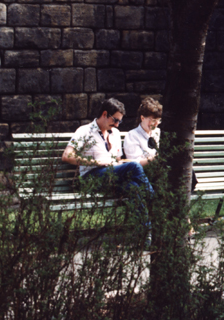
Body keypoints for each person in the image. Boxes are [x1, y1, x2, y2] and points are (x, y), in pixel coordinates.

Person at [63, 97, 155, 246]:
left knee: (134, 187)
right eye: (115, 120)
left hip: (111, 176)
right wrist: (94, 162)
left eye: (120, 121)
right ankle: (156, 203)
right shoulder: (85, 131)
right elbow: (67, 156)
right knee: (135, 166)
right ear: (105, 114)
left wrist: (119, 164)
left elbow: (117, 161)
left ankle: (146, 236)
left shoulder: (115, 134)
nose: (117, 124)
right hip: (91, 176)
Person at [123, 96, 162, 166]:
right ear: (142, 118)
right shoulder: (132, 135)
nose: (156, 124)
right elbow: (134, 164)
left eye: (158, 120)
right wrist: (156, 159)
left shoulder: (158, 132)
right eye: (153, 120)